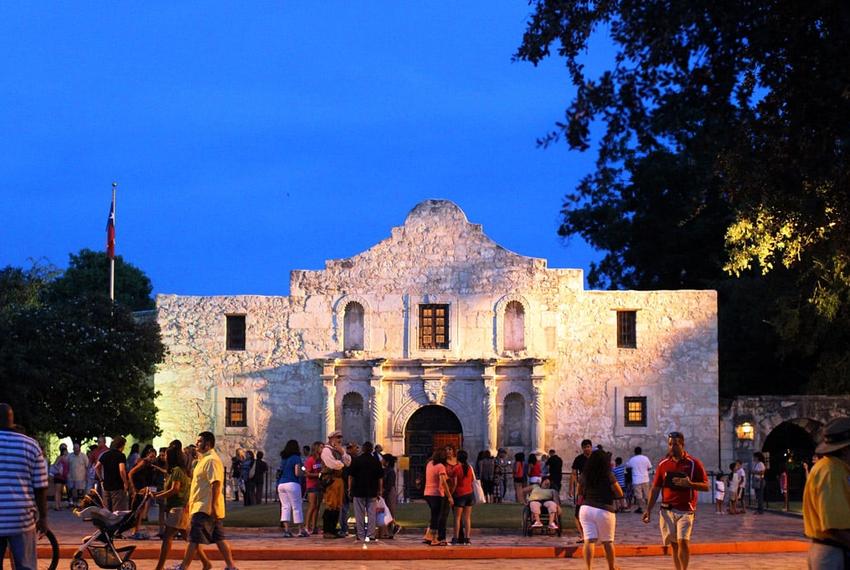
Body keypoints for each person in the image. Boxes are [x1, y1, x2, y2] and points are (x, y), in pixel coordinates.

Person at [167, 431, 238, 570]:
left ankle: (183, 567)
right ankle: (231, 566)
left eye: (199, 441)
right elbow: (199, 485)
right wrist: (190, 502)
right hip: (202, 506)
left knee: (193, 539)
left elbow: (216, 485)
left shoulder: (211, 460)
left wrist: (213, 507)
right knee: (219, 538)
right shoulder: (203, 460)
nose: (196, 443)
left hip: (205, 508)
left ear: (208, 444)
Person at [643, 431, 709, 570]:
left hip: (686, 510)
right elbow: (655, 489)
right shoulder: (663, 464)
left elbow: (706, 486)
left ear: (682, 445)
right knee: (674, 544)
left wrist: (690, 484)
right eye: (670, 444)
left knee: (683, 541)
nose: (672, 447)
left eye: (675, 444)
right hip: (667, 510)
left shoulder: (693, 463)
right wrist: (648, 509)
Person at [0, 403, 49, 570]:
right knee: (25, 566)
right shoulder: (31, 445)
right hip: (21, 519)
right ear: (12, 420)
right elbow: (40, 487)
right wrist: (43, 517)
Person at [803, 416, 850, 569]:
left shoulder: (835, 468)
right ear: (845, 448)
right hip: (834, 553)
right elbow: (834, 527)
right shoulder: (832, 472)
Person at [153, 444, 210, 570]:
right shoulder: (177, 471)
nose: (164, 457)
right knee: (190, 538)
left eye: (166, 455)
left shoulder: (177, 471)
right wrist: (156, 494)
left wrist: (158, 497)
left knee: (168, 538)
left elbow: (175, 489)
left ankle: (159, 567)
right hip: (179, 508)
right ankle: (206, 562)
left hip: (178, 508)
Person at [578, 450, 623, 570]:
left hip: (586, 508)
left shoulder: (585, 474)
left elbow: (579, 491)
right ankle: (611, 567)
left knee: (589, 540)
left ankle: (588, 568)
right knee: (607, 541)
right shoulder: (608, 474)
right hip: (604, 509)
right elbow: (619, 492)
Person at [348, 441, 384, 542]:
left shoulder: (356, 460)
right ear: (372, 449)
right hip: (372, 490)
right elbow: (380, 478)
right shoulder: (376, 461)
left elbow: (351, 476)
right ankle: (371, 534)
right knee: (372, 513)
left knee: (359, 514)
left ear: (363, 449)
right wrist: (380, 490)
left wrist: (349, 489)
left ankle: (360, 535)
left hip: (358, 490)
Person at [128, 445, 165, 539]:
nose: (152, 458)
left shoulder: (150, 464)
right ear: (147, 455)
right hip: (137, 488)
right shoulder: (143, 462)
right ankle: (133, 530)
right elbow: (131, 473)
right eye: (151, 456)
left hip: (143, 488)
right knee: (135, 510)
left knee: (141, 510)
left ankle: (136, 530)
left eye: (154, 456)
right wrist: (133, 488)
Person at [320, 431, 352, 538]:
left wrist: (342, 453)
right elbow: (332, 464)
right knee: (331, 505)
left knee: (338, 505)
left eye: (340, 438)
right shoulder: (326, 450)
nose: (339, 440)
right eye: (337, 437)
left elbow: (348, 462)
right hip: (331, 479)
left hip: (339, 479)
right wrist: (341, 464)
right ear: (331, 438)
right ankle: (327, 530)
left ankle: (333, 529)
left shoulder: (338, 450)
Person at [276, 440, 307, 537]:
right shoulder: (296, 458)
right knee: (296, 506)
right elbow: (298, 472)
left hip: (281, 484)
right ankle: (301, 530)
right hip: (292, 483)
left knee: (285, 507)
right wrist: (304, 471)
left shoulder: (284, 459)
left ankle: (286, 530)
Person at [423, 447, 453, 546]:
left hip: (427, 493)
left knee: (434, 516)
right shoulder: (440, 466)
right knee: (437, 517)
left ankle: (429, 536)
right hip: (437, 494)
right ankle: (435, 538)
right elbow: (443, 482)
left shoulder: (429, 464)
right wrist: (449, 496)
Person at [96, 436, 130, 512]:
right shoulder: (121, 455)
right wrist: (126, 483)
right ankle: (115, 523)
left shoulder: (105, 454)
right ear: (121, 445)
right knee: (117, 511)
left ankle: (108, 523)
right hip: (117, 486)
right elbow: (121, 470)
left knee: (108, 510)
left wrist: (101, 479)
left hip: (106, 486)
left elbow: (96, 467)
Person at [451, 449, 475, 545]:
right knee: (467, 518)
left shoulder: (456, 468)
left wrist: (451, 494)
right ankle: (467, 538)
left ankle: (456, 537)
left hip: (459, 494)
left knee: (457, 517)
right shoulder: (469, 467)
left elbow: (455, 483)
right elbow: (472, 479)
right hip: (469, 493)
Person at [571, 439, 593, 541]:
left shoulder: (595, 458)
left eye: (588, 447)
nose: (586, 449)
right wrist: (575, 485)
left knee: (593, 512)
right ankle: (582, 535)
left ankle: (592, 534)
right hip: (582, 490)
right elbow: (574, 473)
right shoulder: (578, 459)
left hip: (593, 490)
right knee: (578, 513)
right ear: (582, 448)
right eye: (585, 447)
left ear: (591, 447)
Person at [303, 441, 323, 535]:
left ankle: (314, 527)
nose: (322, 449)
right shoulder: (310, 460)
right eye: (321, 447)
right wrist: (318, 475)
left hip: (319, 485)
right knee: (312, 505)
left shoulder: (321, 460)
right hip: (312, 485)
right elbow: (307, 473)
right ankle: (306, 526)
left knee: (317, 506)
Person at [627, 446, 652, 514]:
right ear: (641, 451)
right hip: (645, 478)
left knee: (638, 495)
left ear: (635, 452)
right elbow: (649, 467)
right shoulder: (645, 458)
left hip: (636, 479)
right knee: (647, 494)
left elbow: (628, 467)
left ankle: (641, 508)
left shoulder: (632, 459)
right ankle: (649, 507)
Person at [381, 454, 400, 536]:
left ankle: (391, 530)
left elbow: (390, 484)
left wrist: (384, 492)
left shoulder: (390, 471)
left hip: (389, 492)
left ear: (387, 462)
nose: (381, 461)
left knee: (390, 511)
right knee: (385, 511)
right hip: (385, 491)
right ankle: (386, 531)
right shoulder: (385, 470)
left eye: (383, 460)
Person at [68, 442, 90, 507]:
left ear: (79, 449)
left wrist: (86, 476)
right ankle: (71, 502)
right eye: (75, 449)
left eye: (77, 449)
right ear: (73, 449)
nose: (76, 450)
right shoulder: (70, 456)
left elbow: (87, 466)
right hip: (71, 476)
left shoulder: (83, 456)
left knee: (80, 491)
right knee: (70, 490)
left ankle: (79, 503)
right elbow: (66, 465)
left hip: (81, 477)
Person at [50, 443, 70, 510]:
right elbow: (55, 465)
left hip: (63, 477)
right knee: (57, 491)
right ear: (63, 451)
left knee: (60, 491)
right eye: (65, 451)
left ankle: (59, 505)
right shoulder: (60, 457)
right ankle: (57, 506)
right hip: (58, 476)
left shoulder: (66, 459)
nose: (66, 452)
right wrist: (59, 470)